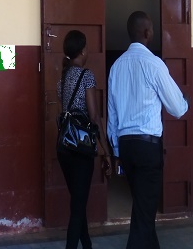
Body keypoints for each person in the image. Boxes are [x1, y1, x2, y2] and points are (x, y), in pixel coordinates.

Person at [107, 11, 189, 249]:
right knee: (143, 215)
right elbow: (177, 108)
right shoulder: (154, 64)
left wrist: (115, 151)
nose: (153, 33)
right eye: (152, 29)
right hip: (147, 148)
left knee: (144, 208)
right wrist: (186, 102)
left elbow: (112, 114)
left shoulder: (116, 67)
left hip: (126, 147)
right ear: (146, 32)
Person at [57, 30, 113, 249]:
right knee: (78, 208)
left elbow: (64, 113)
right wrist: (105, 150)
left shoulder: (62, 79)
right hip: (81, 149)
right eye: (86, 48)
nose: (87, 52)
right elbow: (93, 116)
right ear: (81, 51)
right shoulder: (86, 75)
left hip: (63, 148)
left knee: (77, 203)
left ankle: (87, 245)